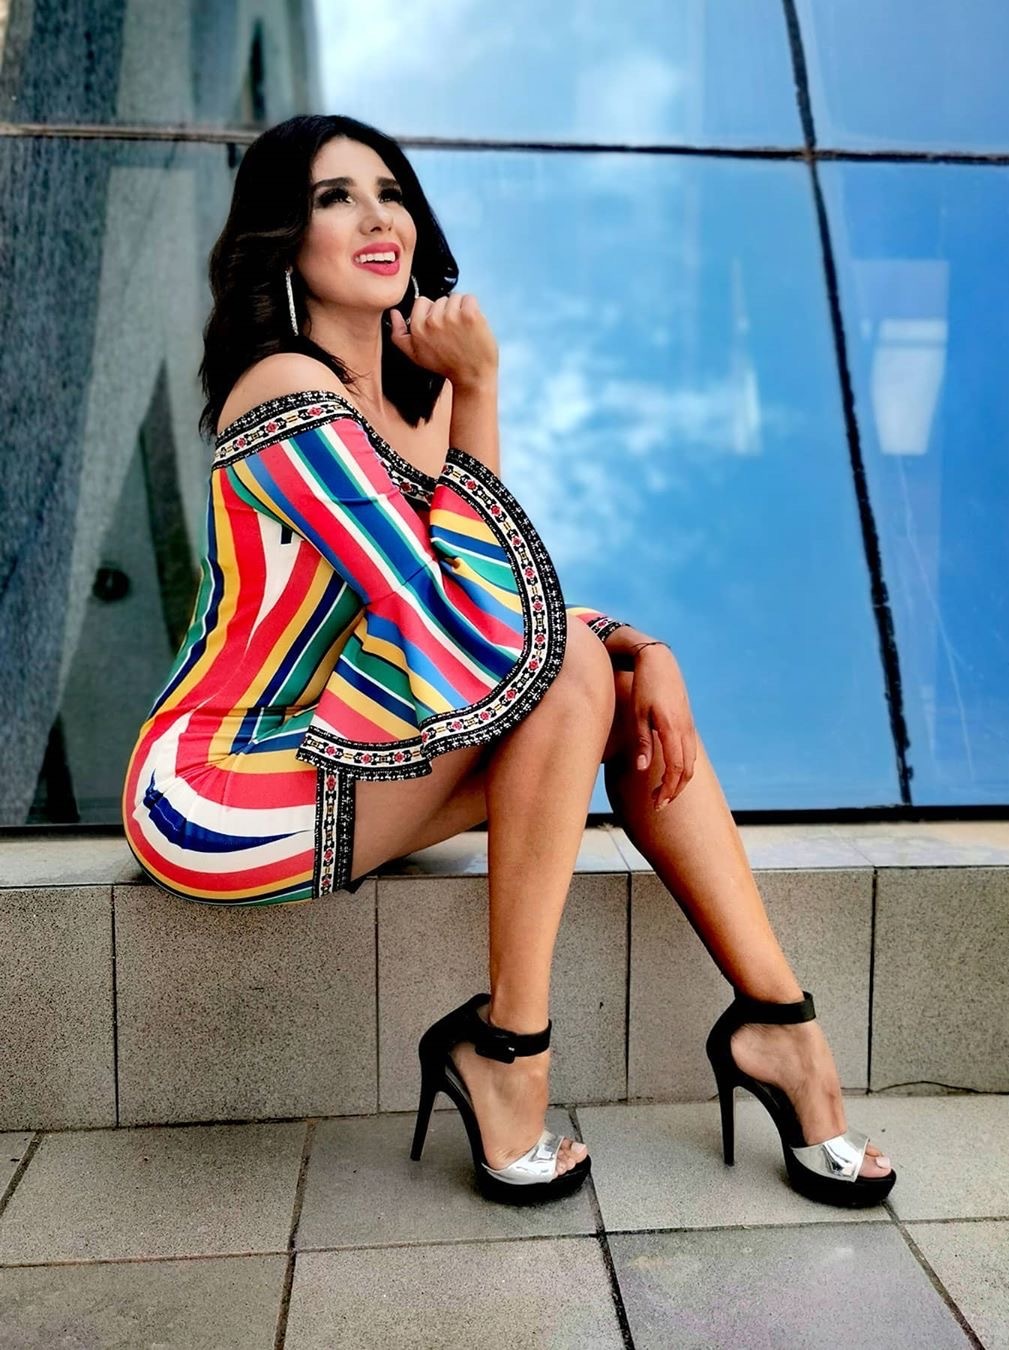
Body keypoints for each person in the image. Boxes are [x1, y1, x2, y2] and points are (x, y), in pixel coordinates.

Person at [121, 113, 895, 1207]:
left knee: (606, 690)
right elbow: (461, 629)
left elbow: (499, 614)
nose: (377, 218)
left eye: (390, 193)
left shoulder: (414, 397)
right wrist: (484, 393)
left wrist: (645, 648)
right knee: (577, 677)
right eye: (336, 198)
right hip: (220, 787)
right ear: (284, 239)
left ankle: (778, 1026)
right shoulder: (282, 390)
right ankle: (513, 1048)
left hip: (341, 749)